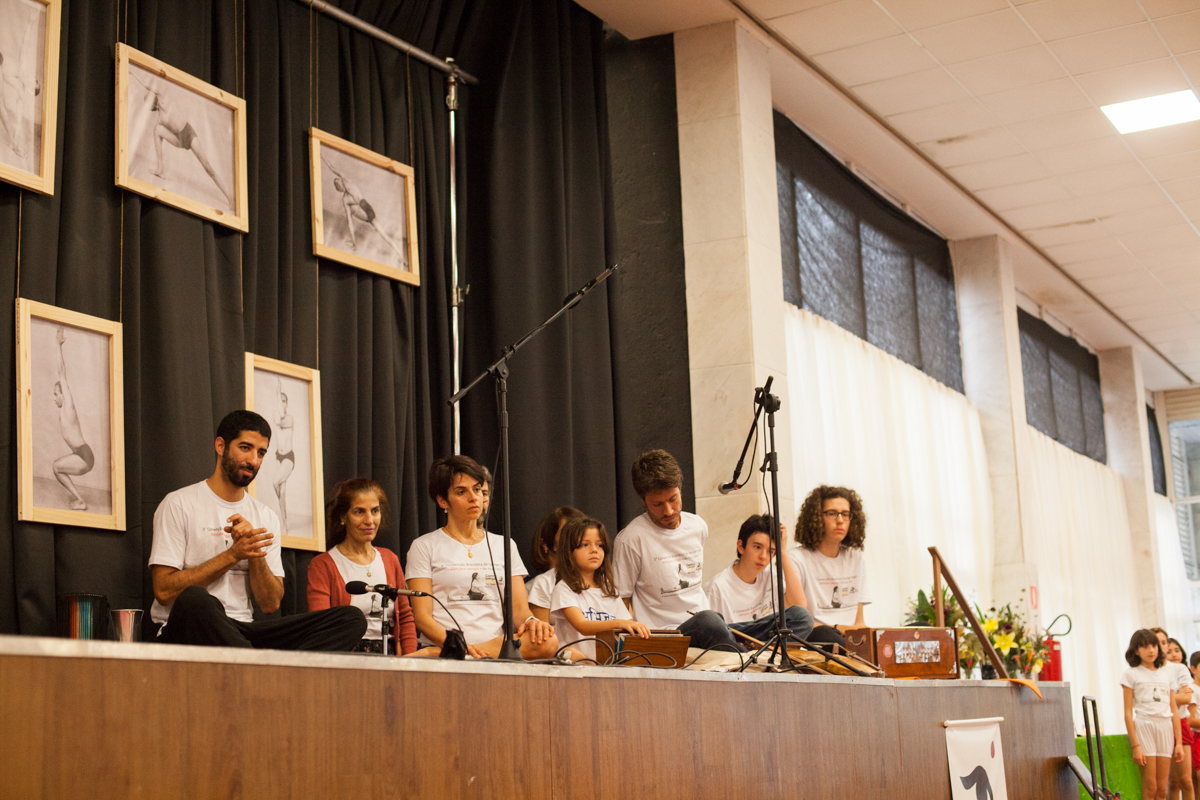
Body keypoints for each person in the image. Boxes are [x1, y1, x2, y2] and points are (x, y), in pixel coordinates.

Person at [149, 410, 365, 649]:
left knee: (351, 619)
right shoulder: (179, 504)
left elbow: (270, 604)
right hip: (189, 628)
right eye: (245, 448)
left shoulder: (266, 516)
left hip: (242, 630)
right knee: (196, 598)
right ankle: (259, 665)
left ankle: (261, 662)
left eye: (261, 453)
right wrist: (233, 555)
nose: (253, 461)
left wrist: (254, 553)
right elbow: (164, 591)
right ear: (220, 446)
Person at [405, 455, 560, 660]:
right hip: (446, 643)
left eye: (477, 489)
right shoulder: (424, 546)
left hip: (493, 648)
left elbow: (519, 612)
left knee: (548, 640)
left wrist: (532, 621)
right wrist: (457, 644)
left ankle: (463, 654)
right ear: (442, 500)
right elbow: (422, 618)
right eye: (461, 492)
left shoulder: (504, 545)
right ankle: (458, 651)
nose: (474, 497)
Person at [611, 449, 739, 652]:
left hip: (706, 624)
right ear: (643, 501)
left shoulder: (698, 526)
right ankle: (748, 660)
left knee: (790, 618)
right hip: (665, 635)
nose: (668, 511)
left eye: (673, 499)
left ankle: (741, 649)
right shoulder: (631, 539)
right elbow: (620, 601)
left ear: (680, 489)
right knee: (709, 622)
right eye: (657, 504)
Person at [307, 478, 419, 655]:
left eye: (375, 511)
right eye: (359, 512)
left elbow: (405, 617)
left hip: (390, 656)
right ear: (343, 517)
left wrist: (411, 660)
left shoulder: (390, 559)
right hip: (346, 657)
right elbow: (321, 626)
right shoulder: (323, 565)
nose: (369, 520)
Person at [704, 514, 816, 646]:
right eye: (757, 547)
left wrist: (783, 552)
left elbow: (799, 605)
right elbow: (710, 632)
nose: (763, 556)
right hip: (734, 640)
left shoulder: (770, 576)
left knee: (803, 617)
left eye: (770, 551)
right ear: (741, 546)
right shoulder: (717, 587)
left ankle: (763, 652)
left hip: (765, 641)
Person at [130, 71, 236, 209]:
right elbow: (159, 135)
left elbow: (147, 84)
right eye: (148, 100)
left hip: (188, 134)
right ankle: (161, 169)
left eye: (149, 95)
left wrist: (133, 73)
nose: (150, 97)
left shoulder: (162, 97)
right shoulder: (160, 119)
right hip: (179, 141)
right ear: (151, 107)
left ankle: (229, 197)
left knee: (208, 167)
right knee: (157, 130)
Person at [550, 516, 650, 663]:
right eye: (585, 545)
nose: (594, 550)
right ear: (568, 551)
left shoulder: (609, 589)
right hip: (575, 661)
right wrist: (619, 623)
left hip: (608, 662)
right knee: (572, 654)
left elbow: (627, 625)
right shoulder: (564, 589)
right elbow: (583, 626)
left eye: (600, 545)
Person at [789, 485, 872, 644]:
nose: (840, 520)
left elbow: (859, 622)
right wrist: (839, 628)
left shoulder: (856, 558)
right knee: (826, 634)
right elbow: (797, 624)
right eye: (832, 514)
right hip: (817, 639)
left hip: (849, 640)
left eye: (845, 514)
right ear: (816, 518)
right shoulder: (796, 558)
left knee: (915, 631)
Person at [1123, 629, 1184, 800]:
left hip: (1165, 727)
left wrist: (1179, 743)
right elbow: (1127, 712)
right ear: (1136, 650)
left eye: (1153, 646)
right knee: (1151, 787)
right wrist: (1135, 746)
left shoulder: (1166, 674)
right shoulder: (1131, 674)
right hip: (1144, 726)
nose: (1151, 650)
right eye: (1145, 646)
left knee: (1162, 789)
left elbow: (1174, 710)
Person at [323, 156, 407, 265]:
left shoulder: (346, 189)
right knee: (383, 234)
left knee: (353, 211)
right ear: (339, 187)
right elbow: (349, 222)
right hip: (366, 208)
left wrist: (323, 158)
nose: (340, 182)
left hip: (365, 210)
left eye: (338, 181)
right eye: (338, 183)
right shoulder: (347, 189)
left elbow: (333, 168)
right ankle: (401, 257)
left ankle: (400, 256)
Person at [51, 327, 95, 511]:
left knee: (56, 467)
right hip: (80, 454)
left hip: (84, 456)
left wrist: (58, 345)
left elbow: (61, 372)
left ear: (64, 395)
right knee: (57, 467)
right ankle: (79, 500)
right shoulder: (63, 411)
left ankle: (80, 501)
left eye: (56, 394)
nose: (54, 398)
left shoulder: (68, 406)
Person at [1153, 629, 1196, 800]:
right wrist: (1172, 697)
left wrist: (1161, 696)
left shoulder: (1179, 668)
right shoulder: (1148, 671)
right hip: (1159, 724)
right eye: (1157, 643)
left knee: (1186, 780)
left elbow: (1186, 698)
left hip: (1180, 723)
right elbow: (1148, 701)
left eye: (1164, 642)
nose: (1160, 646)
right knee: (1170, 783)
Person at [526, 506, 584, 623]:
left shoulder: (601, 581)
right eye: (566, 533)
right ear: (545, 544)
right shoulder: (540, 585)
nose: (577, 540)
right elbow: (542, 632)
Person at [272, 378, 295, 536]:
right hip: (278, 456)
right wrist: (277, 394)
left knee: (275, 482)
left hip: (288, 457)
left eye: (284, 401)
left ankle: (285, 521)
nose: (282, 403)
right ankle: (285, 521)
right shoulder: (275, 414)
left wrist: (278, 391)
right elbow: (277, 417)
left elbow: (281, 420)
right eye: (280, 401)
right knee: (282, 492)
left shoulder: (290, 418)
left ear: (287, 404)